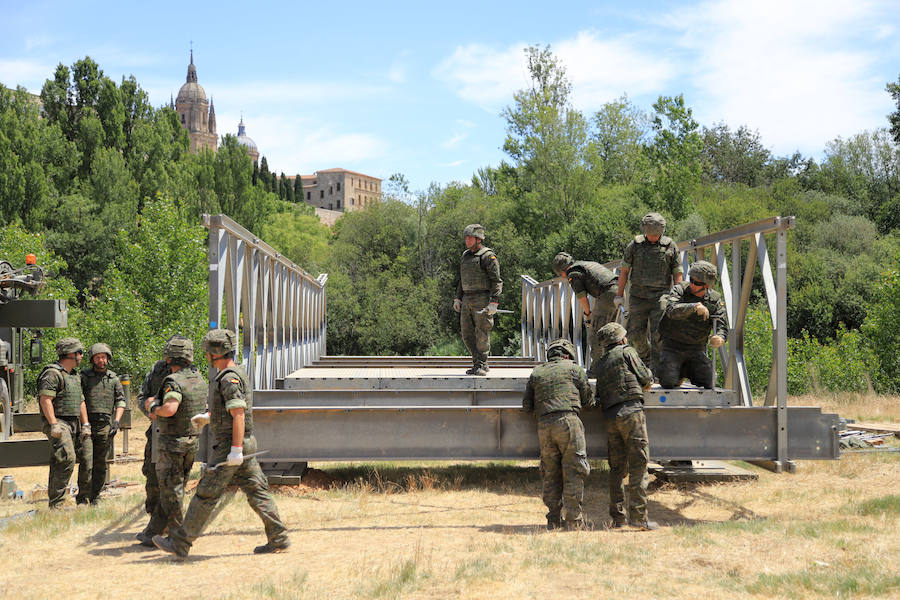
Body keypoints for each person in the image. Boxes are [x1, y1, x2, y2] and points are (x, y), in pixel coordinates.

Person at [154, 329, 289, 558]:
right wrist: (209, 418)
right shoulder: (235, 373)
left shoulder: (227, 378)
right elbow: (231, 411)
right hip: (243, 443)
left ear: (213, 353)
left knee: (206, 495)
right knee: (258, 492)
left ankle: (180, 543)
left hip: (230, 446)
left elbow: (238, 413)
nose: (205, 356)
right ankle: (278, 538)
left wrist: (235, 450)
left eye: (207, 352)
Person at [140, 337, 207, 544]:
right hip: (190, 441)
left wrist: (153, 408)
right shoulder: (198, 378)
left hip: (172, 444)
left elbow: (170, 409)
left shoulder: (174, 381)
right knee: (174, 487)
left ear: (170, 358)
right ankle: (153, 531)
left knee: (171, 492)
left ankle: (178, 538)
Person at [522, 338, 593, 531]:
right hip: (568, 422)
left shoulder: (537, 372)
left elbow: (526, 406)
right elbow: (588, 400)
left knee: (550, 472)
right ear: (568, 354)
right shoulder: (573, 368)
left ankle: (553, 519)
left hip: (544, 425)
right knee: (573, 470)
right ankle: (573, 521)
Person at [592, 323, 657, 530]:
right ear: (621, 339)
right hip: (631, 411)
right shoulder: (627, 352)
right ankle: (638, 517)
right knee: (639, 465)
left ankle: (618, 518)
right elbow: (646, 377)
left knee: (617, 469)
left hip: (611, 416)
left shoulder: (599, 363)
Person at [615, 212, 683, 374]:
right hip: (638, 296)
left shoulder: (670, 246)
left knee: (659, 335)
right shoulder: (634, 246)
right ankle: (645, 359)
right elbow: (624, 272)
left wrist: (678, 296)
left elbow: (677, 273)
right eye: (650, 234)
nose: (653, 237)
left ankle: (658, 371)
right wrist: (619, 295)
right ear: (645, 231)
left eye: (656, 234)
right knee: (635, 334)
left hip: (661, 296)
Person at [37, 337, 91, 509]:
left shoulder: (74, 376)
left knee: (61, 459)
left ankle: (62, 502)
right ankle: (57, 504)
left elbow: (81, 401)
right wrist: (53, 424)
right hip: (59, 422)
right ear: (70, 354)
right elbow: (46, 399)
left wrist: (86, 424)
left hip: (74, 423)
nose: (82, 356)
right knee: (67, 458)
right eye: (80, 352)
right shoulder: (52, 373)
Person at [657, 260, 727, 389]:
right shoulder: (680, 290)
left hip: (696, 349)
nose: (692, 284)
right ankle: (676, 372)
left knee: (710, 381)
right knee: (667, 381)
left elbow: (722, 325)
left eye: (697, 283)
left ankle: (685, 370)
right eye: (691, 280)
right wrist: (693, 307)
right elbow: (671, 310)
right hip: (672, 346)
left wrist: (720, 338)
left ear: (706, 286)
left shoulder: (714, 300)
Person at [552, 252, 620, 373]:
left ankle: (597, 370)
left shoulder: (573, 273)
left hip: (607, 294)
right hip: (618, 291)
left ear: (562, 271)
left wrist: (588, 314)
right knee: (612, 332)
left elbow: (582, 297)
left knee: (596, 333)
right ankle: (614, 367)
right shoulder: (585, 264)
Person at [134, 344, 172, 545]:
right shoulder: (156, 370)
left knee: (172, 480)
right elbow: (142, 396)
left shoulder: (189, 374)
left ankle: (170, 527)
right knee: (151, 473)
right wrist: (149, 412)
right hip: (156, 429)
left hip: (176, 433)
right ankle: (155, 522)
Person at [453, 224, 502, 376]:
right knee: (466, 334)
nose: (467, 241)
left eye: (470, 238)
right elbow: (462, 279)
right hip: (467, 298)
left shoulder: (488, 256)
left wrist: (494, 301)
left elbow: (497, 280)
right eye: (466, 238)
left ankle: (482, 363)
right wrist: (458, 298)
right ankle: (477, 363)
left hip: (482, 298)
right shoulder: (465, 256)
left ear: (478, 239)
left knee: (482, 333)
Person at [80, 343, 126, 504]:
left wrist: (116, 421)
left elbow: (121, 401)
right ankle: (82, 497)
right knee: (86, 462)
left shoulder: (113, 378)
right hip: (87, 424)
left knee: (100, 463)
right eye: (98, 357)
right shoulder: (84, 376)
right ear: (92, 359)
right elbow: (80, 399)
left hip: (105, 425)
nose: (102, 360)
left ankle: (95, 496)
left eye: (104, 357)